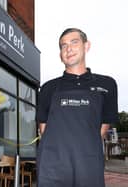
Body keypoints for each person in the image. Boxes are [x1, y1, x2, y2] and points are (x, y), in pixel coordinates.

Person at [36, 28, 118, 187]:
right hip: (53, 166)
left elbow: (103, 127)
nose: (68, 49)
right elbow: (44, 129)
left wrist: (83, 150)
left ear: (86, 46)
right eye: (63, 46)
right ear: (60, 54)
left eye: (74, 42)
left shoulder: (107, 85)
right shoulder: (48, 88)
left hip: (89, 166)